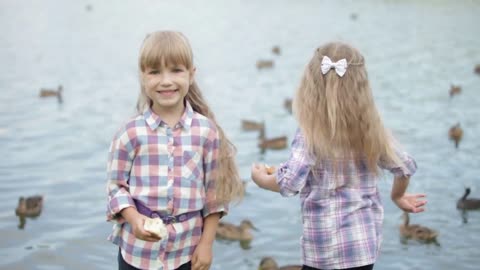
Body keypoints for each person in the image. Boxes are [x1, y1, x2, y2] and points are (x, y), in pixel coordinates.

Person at [251, 42, 426, 270]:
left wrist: (261, 179)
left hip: (322, 251)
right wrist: (398, 196)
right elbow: (405, 166)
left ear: (309, 87)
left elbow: (291, 182)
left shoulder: (310, 133)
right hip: (363, 247)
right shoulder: (370, 130)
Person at [106, 31, 244, 270]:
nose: (166, 81)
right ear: (142, 77)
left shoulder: (206, 132)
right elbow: (116, 186)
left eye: (176, 70)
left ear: (192, 75)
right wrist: (134, 218)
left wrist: (207, 244)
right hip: (138, 254)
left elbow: (214, 194)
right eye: (155, 72)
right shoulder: (129, 133)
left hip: (187, 252)